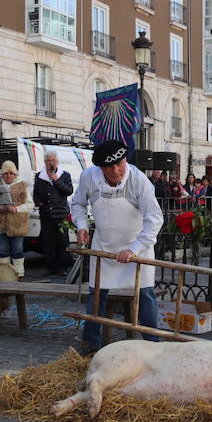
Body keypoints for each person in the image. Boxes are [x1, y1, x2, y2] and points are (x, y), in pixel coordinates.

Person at [71, 140, 163, 352]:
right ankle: (91, 343)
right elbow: (77, 203)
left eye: (119, 164)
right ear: (100, 168)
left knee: (145, 294)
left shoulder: (139, 181)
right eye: (109, 167)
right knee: (96, 294)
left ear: (125, 160)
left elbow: (155, 219)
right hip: (104, 247)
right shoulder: (89, 178)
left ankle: (153, 345)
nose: (115, 171)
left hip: (137, 248)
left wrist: (134, 249)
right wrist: (82, 225)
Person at [32, 149, 74, 277]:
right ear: (45, 162)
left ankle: (62, 268)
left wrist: (56, 180)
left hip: (61, 215)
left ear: (57, 161)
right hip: (46, 215)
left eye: (53, 160)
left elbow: (68, 191)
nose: (51, 163)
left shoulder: (64, 175)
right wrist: (38, 202)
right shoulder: (39, 176)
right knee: (47, 243)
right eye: (48, 160)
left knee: (62, 242)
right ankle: (51, 267)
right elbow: (35, 194)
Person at [0, 160, 33, 278]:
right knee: (3, 251)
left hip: (18, 224)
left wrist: (17, 209)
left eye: (11, 173)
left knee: (17, 250)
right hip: (1, 224)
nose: (9, 175)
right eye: (6, 173)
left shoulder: (22, 185)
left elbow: (30, 205)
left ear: (15, 174)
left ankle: (19, 274)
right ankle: (6, 274)